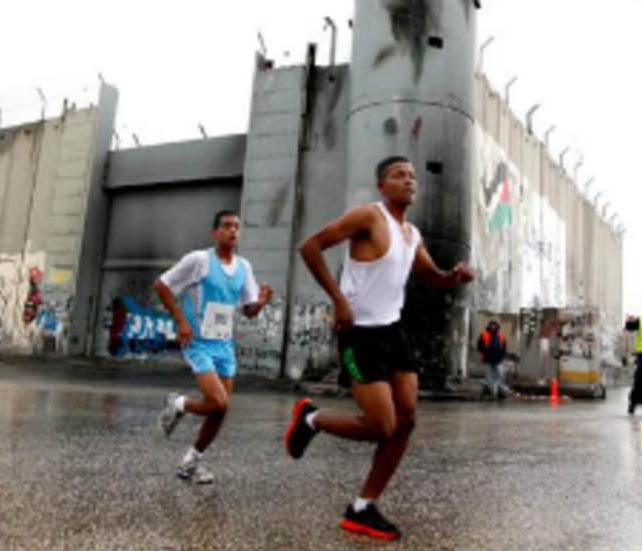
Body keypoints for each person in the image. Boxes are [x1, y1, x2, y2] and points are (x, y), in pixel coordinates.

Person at [283, 156, 474, 541]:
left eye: (412, 176)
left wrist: (453, 276)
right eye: (398, 175)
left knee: (405, 422)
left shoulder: (411, 234)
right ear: (381, 185)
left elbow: (430, 279)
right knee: (380, 425)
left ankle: (362, 508)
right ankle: (310, 419)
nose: (408, 181)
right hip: (359, 334)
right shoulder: (368, 218)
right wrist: (338, 299)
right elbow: (310, 247)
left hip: (393, 332)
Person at [155, 210, 273, 485]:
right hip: (197, 342)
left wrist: (262, 302)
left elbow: (249, 310)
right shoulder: (199, 261)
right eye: (226, 226)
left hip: (224, 345)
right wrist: (180, 320)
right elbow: (161, 285)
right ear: (215, 232)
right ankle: (179, 403)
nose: (233, 231)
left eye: (237, 227)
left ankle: (191, 463)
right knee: (217, 401)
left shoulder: (244, 267)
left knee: (220, 409)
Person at [478, 320, 509, 400]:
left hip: (498, 359)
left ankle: (500, 391)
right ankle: (488, 390)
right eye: (492, 325)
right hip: (487, 358)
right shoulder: (484, 334)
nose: (493, 327)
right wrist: (485, 351)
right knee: (489, 376)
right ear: (489, 326)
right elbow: (480, 346)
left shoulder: (501, 336)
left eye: (495, 325)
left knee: (500, 375)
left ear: (497, 326)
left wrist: (501, 356)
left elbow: (504, 347)